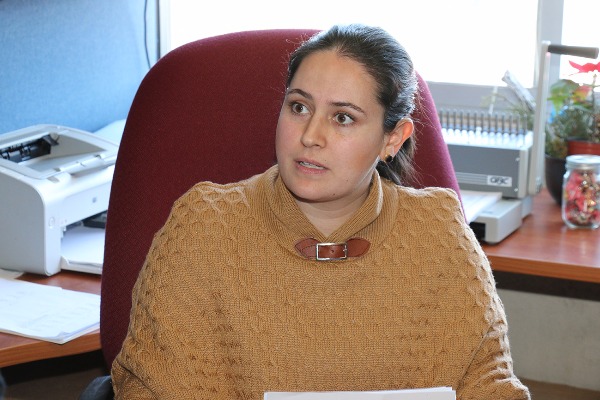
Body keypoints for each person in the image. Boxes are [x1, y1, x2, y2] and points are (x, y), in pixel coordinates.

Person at [111, 24, 530, 399]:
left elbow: (489, 386)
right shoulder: (204, 226)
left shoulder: (438, 232)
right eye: (299, 107)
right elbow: (148, 388)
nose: (311, 135)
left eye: (343, 118)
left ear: (393, 139)